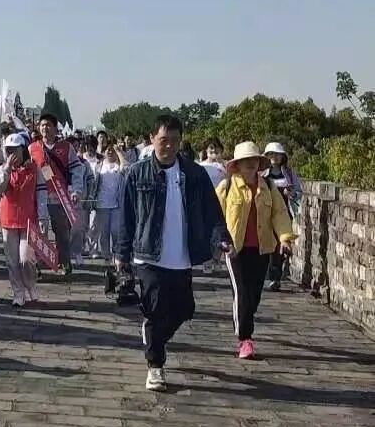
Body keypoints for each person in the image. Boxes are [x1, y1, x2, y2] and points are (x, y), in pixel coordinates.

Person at [117, 115, 232, 391]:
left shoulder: (194, 174)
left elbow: (212, 210)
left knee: (183, 309)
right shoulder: (137, 173)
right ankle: (155, 365)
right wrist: (121, 253)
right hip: (148, 255)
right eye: (163, 140)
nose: (168, 146)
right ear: (152, 139)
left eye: (175, 141)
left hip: (181, 255)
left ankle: (154, 336)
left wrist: (221, 237)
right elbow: (127, 216)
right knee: (157, 309)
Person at [216, 142, 295, 360]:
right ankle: (245, 338)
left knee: (254, 294)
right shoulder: (227, 186)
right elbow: (215, 215)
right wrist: (219, 240)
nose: (250, 164)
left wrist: (285, 238)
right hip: (235, 249)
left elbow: (279, 214)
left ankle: (244, 321)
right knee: (242, 292)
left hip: (262, 248)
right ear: (237, 165)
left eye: (254, 160)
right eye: (245, 161)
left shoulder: (268, 186)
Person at [28, 113, 85, 277]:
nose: (45, 128)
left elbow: (77, 169)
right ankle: (37, 264)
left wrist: (76, 190)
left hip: (59, 197)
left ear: (55, 128)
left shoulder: (66, 147)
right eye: (42, 125)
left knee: (62, 232)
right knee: (39, 232)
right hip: (39, 197)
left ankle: (64, 261)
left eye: (48, 125)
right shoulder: (32, 148)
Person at [0, 133, 47, 306]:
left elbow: (41, 193)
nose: (11, 154)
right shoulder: (3, 168)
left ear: (22, 150)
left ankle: (30, 285)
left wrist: (43, 217)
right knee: (12, 261)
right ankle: (18, 293)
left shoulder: (34, 169)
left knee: (25, 259)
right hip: (8, 220)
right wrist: (7, 169)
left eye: (14, 150)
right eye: (8, 150)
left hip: (28, 220)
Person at [91, 145, 130, 300]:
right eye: (107, 149)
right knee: (104, 232)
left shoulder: (120, 166)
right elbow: (94, 183)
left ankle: (116, 256)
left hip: (117, 204)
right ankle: (106, 256)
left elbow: (127, 168)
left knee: (116, 231)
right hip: (102, 203)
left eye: (112, 150)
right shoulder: (99, 165)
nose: (109, 151)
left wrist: (120, 153)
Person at [262, 142, 301, 292]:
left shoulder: (289, 174)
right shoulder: (262, 174)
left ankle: (275, 277)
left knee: (281, 245)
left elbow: (298, 192)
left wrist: (290, 193)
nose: (275, 157)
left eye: (278, 154)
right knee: (268, 244)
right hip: (266, 213)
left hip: (284, 213)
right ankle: (269, 272)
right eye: (271, 154)